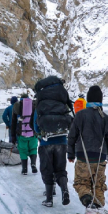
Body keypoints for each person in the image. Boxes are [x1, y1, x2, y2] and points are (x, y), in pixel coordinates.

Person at [68, 85, 108, 209]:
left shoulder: (80, 115)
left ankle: (88, 201)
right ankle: (97, 211)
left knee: (81, 183)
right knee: (98, 186)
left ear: (88, 100)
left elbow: (72, 136)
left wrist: (71, 154)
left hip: (83, 157)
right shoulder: (106, 118)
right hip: (100, 159)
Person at [33, 76, 73, 207]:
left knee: (47, 169)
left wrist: (39, 134)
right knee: (60, 169)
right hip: (62, 141)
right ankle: (65, 190)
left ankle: (49, 199)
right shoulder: (63, 102)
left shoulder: (41, 104)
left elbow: (35, 124)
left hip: (45, 142)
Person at [11, 94, 39, 175]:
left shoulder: (17, 105)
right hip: (33, 133)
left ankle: (24, 169)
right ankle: (33, 164)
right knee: (33, 149)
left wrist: (13, 136)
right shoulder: (34, 104)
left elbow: (13, 123)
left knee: (23, 151)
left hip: (22, 134)